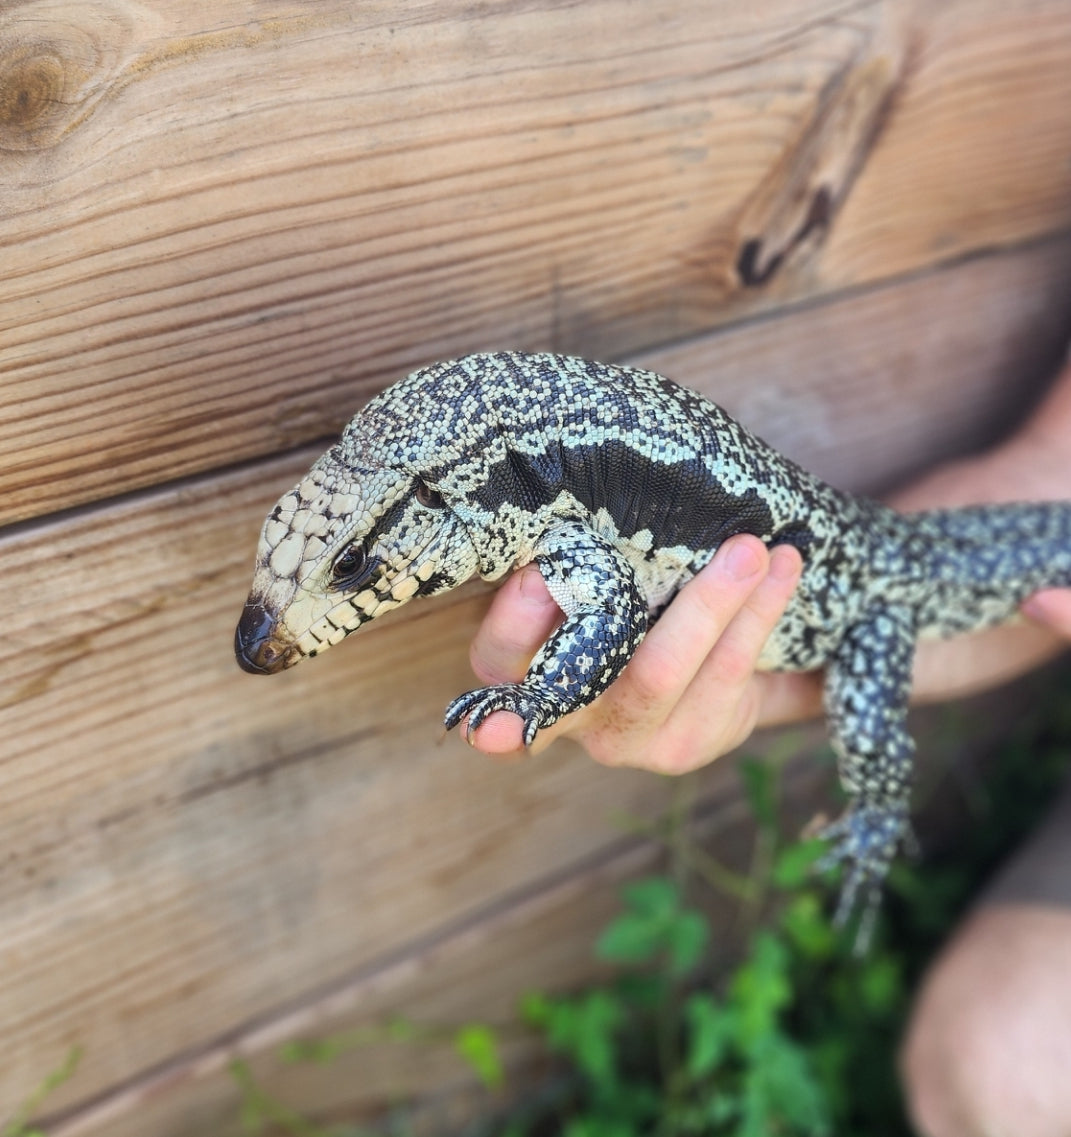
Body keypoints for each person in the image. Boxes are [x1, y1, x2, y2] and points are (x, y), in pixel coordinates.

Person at [461, 356, 1071, 1137]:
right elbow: (1051, 470)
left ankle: (879, 816)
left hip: (874, 592)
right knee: (1002, 1076)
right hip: (884, 577)